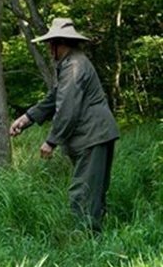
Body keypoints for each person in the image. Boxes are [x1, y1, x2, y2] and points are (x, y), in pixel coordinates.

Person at [9, 18, 120, 233]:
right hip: (96, 135)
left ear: (59, 43)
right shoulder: (72, 63)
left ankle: (87, 244)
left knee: (84, 194)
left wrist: (51, 141)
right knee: (92, 192)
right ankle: (94, 238)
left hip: (93, 135)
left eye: (51, 45)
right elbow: (54, 98)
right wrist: (27, 119)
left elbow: (67, 108)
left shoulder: (74, 66)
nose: (50, 51)